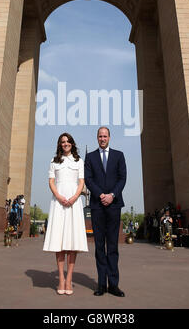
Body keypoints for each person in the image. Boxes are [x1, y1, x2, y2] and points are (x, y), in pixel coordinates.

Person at [43, 133, 88, 295]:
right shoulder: (54, 161)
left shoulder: (79, 161)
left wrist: (75, 197)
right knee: (60, 241)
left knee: (72, 241)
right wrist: (59, 196)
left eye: (68, 141)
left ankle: (69, 279)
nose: (65, 144)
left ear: (72, 143)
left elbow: (81, 181)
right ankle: (61, 279)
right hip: (58, 203)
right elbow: (51, 181)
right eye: (63, 142)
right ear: (59, 144)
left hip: (74, 203)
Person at [85, 126, 127, 297]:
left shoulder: (119, 155)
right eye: (100, 136)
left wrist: (112, 195)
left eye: (105, 136)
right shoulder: (90, 157)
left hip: (114, 205)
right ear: (97, 138)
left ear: (109, 137)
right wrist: (101, 194)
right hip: (97, 205)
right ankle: (101, 284)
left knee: (113, 246)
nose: (102, 139)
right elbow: (88, 179)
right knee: (99, 247)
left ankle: (114, 285)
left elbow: (122, 178)